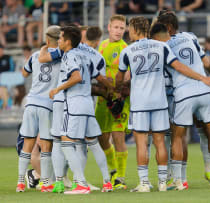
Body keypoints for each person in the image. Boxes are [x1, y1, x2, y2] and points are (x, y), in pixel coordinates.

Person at [116, 16, 210, 192]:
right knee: (160, 141)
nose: (127, 32)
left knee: (141, 142)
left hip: (140, 103)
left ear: (135, 29)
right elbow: (179, 66)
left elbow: (120, 77)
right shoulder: (161, 46)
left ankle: (144, 183)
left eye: (129, 28)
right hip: (159, 102)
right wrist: (203, 78)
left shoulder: (128, 51)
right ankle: (163, 182)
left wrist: (117, 88)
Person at [156, 13, 210, 189]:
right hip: (205, 90)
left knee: (178, 136)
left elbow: (173, 68)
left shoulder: (162, 44)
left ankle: (179, 179)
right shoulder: (190, 37)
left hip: (183, 93)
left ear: (167, 27)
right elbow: (206, 62)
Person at [48, 26, 113, 195]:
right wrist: (113, 89)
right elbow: (99, 77)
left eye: (61, 38)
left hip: (74, 104)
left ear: (68, 42)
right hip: (87, 104)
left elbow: (77, 77)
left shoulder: (69, 55)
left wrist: (58, 89)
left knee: (65, 141)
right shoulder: (86, 54)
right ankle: (107, 182)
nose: (59, 41)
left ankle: (80, 183)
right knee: (93, 143)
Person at [16, 25, 62, 193]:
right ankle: (44, 182)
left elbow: (24, 74)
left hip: (31, 103)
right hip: (47, 105)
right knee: (46, 145)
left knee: (27, 144)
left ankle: (20, 182)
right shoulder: (62, 56)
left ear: (47, 38)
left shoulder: (35, 55)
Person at [95, 15, 130, 190]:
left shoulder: (125, 48)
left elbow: (127, 76)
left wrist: (121, 95)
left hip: (118, 98)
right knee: (102, 137)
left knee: (118, 136)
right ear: (109, 27)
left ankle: (120, 177)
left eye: (121, 28)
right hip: (102, 98)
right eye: (115, 27)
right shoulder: (101, 45)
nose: (118, 31)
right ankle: (113, 169)